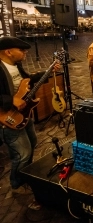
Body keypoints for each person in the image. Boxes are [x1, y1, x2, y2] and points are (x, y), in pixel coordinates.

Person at [0, 36, 60, 209]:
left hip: (24, 114)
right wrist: (10, 100)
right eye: (22, 50)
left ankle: (27, 175)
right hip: (7, 118)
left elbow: (28, 80)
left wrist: (47, 72)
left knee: (32, 143)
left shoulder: (16, 65)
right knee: (22, 153)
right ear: (8, 51)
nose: (25, 53)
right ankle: (17, 184)